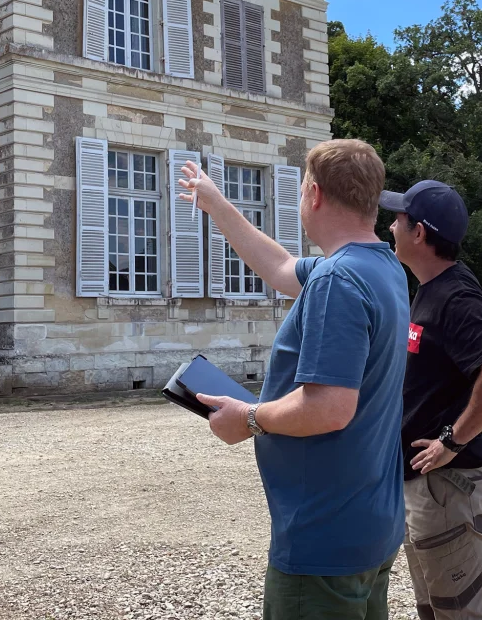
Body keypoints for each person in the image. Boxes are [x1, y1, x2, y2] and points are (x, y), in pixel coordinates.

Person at [179, 139, 410, 620]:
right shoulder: (381, 266)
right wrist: (216, 203)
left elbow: (329, 407)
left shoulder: (337, 281)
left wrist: (249, 418)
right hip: (369, 526)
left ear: (314, 194)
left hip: (323, 537)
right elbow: (283, 269)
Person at [381, 180, 482, 620]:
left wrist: (453, 440)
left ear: (419, 232)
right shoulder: (433, 288)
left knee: (464, 613)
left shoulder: (454, 297)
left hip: (449, 487)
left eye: (398, 219)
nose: (390, 226)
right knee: (439, 609)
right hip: (432, 489)